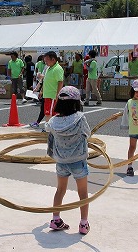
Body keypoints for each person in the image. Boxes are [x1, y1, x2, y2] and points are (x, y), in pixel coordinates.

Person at [45, 86, 91, 235]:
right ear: (76, 103)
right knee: (83, 192)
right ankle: (83, 224)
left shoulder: (53, 121)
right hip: (78, 161)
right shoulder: (80, 118)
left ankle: (55, 219)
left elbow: (47, 131)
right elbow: (87, 133)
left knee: (60, 190)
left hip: (61, 162)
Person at [42, 51, 64, 122]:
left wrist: (57, 94)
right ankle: (49, 128)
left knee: (51, 113)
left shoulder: (57, 68)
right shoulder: (49, 68)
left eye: (47, 60)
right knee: (48, 113)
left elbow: (60, 82)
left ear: (53, 59)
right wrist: (41, 91)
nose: (46, 62)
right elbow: (46, 80)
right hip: (47, 95)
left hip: (52, 95)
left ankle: (50, 129)